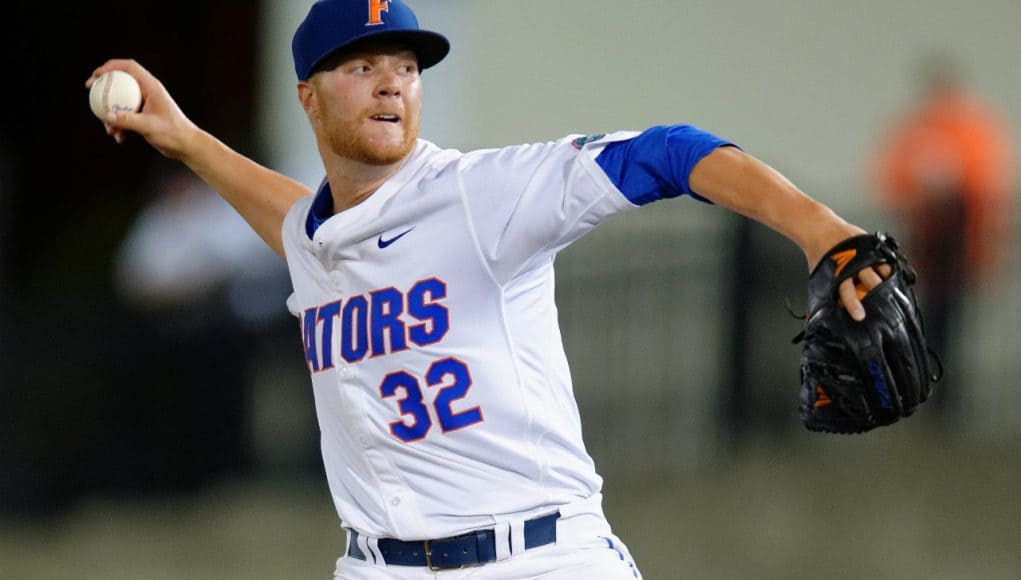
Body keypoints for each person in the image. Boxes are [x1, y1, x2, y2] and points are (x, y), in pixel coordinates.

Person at [86, 0, 888, 577]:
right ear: (306, 96)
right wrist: (187, 141)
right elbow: (297, 223)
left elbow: (668, 152)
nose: (390, 84)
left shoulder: (481, 194)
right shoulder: (315, 237)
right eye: (361, 66)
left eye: (404, 66)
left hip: (538, 557)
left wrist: (818, 228)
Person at [869, 52, 1015, 425]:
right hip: (926, 252)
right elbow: (894, 183)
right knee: (928, 322)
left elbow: (983, 191)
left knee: (948, 324)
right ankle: (931, 396)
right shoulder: (926, 132)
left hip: (956, 252)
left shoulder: (966, 133)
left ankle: (943, 402)